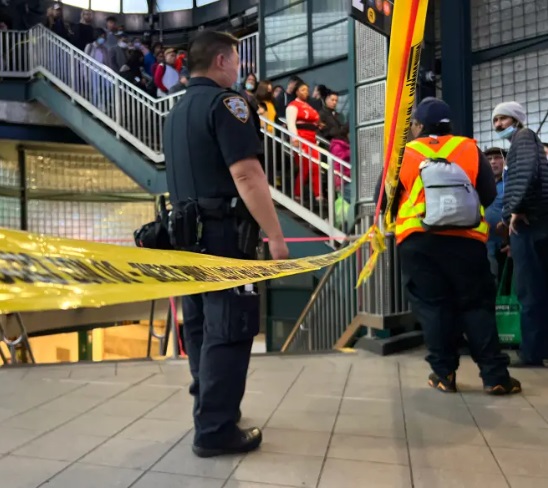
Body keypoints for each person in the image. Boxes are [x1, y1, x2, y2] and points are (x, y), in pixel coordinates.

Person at [163, 30, 289, 458]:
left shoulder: (176, 113)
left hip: (186, 238)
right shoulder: (228, 104)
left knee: (199, 325)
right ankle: (215, 429)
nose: (239, 68)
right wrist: (274, 234)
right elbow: (247, 175)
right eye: (235, 59)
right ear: (221, 61)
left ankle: (208, 410)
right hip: (222, 237)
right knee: (231, 328)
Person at [381, 97, 520, 395]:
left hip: (418, 241)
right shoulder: (468, 148)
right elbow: (487, 193)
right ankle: (495, 376)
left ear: (418, 125)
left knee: (434, 308)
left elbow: (384, 202)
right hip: (466, 242)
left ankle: (444, 375)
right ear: (449, 125)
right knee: (477, 306)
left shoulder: (403, 153)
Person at [492, 101, 548, 367]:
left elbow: (526, 175)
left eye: (503, 119)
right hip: (536, 225)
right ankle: (540, 348)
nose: (498, 125)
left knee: (529, 292)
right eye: (495, 120)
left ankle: (531, 353)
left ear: (515, 119)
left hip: (528, 227)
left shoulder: (523, 138)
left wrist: (515, 209)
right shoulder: (526, 141)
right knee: (538, 290)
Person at [286, 80, 323, 200]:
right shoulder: (292, 106)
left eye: (307, 90)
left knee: (316, 166)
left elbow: (315, 121)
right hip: (301, 138)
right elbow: (291, 123)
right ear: (296, 92)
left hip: (312, 139)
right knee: (305, 166)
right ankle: (297, 193)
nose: (306, 93)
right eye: (303, 90)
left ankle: (318, 194)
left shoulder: (309, 106)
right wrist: (294, 138)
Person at [483, 147, 508, 280]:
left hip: (508, 242)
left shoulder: (511, 183)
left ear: (505, 161)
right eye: (489, 159)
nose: (493, 162)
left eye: (497, 158)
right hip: (486, 242)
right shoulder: (480, 184)